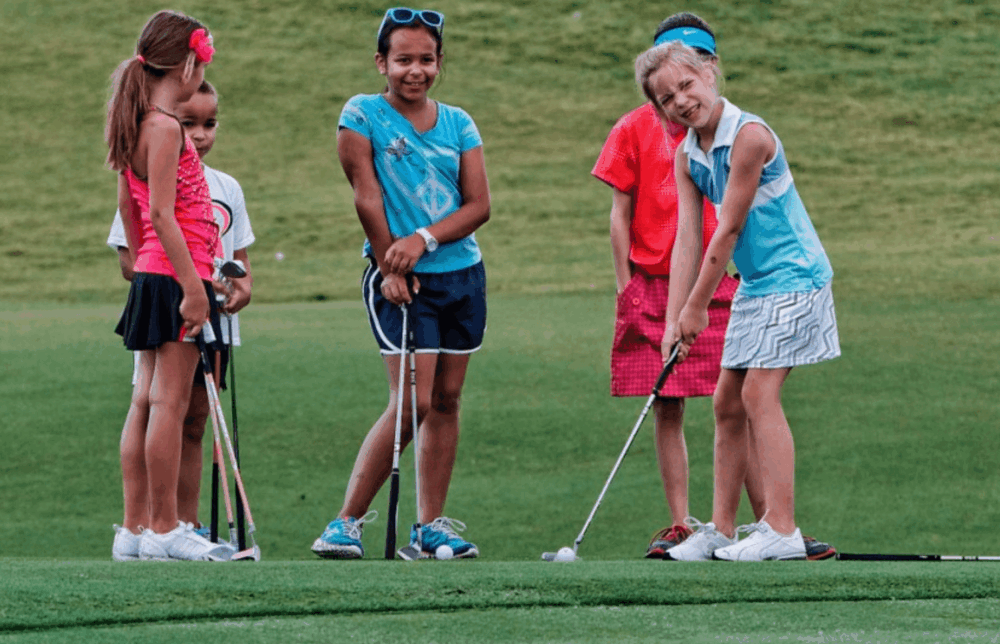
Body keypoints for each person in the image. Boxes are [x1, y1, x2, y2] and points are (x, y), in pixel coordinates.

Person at [594, 13, 835, 561]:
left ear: (710, 73)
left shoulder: (749, 137)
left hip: (796, 278)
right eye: (666, 98)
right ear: (657, 110)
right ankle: (722, 531)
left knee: (756, 395)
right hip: (758, 285)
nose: (680, 100)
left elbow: (725, 230)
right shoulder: (687, 154)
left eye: (687, 84)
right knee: (727, 401)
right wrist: (675, 317)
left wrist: (697, 308)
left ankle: (783, 530)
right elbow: (686, 238)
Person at [311, 7, 490, 560]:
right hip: (401, 280)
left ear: (440, 62)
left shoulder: (459, 122)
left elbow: (479, 205)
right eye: (403, 59)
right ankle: (345, 522)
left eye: (427, 59)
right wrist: (392, 265)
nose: (416, 70)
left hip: (461, 275)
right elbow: (366, 193)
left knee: (447, 400)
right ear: (381, 62)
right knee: (412, 401)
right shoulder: (361, 113)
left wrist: (424, 241)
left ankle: (430, 525)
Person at [108, 80, 255, 553]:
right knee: (158, 405)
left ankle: (166, 528)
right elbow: (141, 227)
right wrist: (195, 284)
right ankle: (158, 527)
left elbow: (238, 253)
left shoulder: (224, 184)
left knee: (176, 412)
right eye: (188, 122)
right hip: (174, 290)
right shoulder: (159, 144)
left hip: (194, 300)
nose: (198, 133)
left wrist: (237, 284)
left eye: (209, 123)